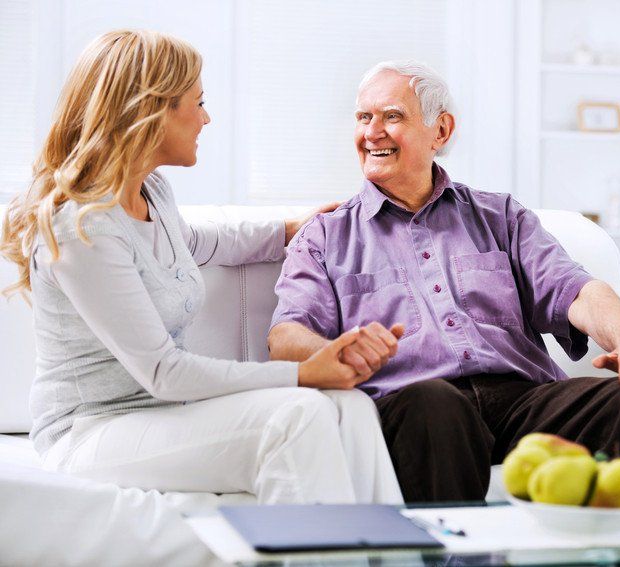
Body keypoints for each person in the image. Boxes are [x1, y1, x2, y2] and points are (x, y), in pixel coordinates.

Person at [0, 30, 402, 505]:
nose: (206, 118)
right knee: (298, 416)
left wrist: (294, 227)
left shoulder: (151, 193)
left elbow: (199, 241)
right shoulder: (83, 231)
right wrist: (303, 373)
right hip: (92, 431)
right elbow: (166, 374)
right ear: (152, 110)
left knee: (349, 406)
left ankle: (396, 552)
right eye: (198, 101)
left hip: (164, 415)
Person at [267, 60, 620, 503]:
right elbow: (285, 335)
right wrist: (338, 351)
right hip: (416, 405)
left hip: (523, 400)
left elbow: (578, 291)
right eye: (363, 117)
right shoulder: (327, 235)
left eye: (392, 116)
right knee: (435, 405)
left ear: (441, 131)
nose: (372, 132)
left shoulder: (500, 217)